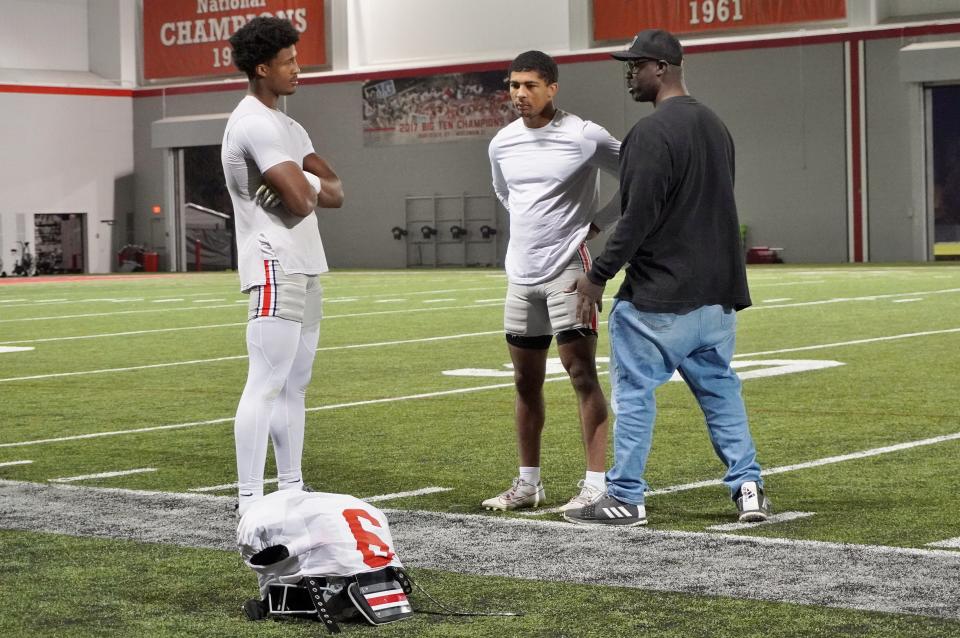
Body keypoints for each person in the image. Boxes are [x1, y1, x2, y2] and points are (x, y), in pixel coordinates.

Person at [564, 30, 770, 526]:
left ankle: (626, 494)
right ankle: (749, 488)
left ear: (661, 67)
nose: (629, 75)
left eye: (635, 65)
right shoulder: (715, 126)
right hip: (716, 298)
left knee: (633, 394)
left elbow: (638, 217)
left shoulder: (651, 133)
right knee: (721, 392)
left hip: (660, 297)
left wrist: (599, 277)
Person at [482, 50, 621, 512]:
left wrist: (595, 225)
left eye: (529, 85)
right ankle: (529, 485)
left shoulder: (584, 135)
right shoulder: (501, 143)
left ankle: (596, 483)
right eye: (513, 85)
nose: (520, 94)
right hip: (519, 276)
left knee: (581, 374)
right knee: (525, 380)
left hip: (569, 270)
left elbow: (638, 177)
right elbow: (506, 193)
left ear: (553, 88)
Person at [221, 17, 344, 516]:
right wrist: (307, 188)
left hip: (303, 263)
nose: (298, 68)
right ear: (261, 67)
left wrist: (307, 186)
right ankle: (250, 496)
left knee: (294, 384)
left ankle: (290, 486)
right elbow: (298, 200)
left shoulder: (290, 125)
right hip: (274, 263)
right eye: (289, 61)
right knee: (266, 381)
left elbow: (334, 191)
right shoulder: (254, 122)